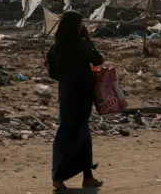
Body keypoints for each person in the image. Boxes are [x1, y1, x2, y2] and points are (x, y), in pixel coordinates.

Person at [46, 10, 105, 191]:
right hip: (81, 94)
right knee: (74, 135)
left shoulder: (55, 48)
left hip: (67, 95)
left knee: (80, 135)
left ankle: (87, 177)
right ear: (76, 26)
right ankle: (59, 176)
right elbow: (98, 59)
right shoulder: (80, 45)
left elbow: (53, 73)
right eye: (80, 24)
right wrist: (87, 39)